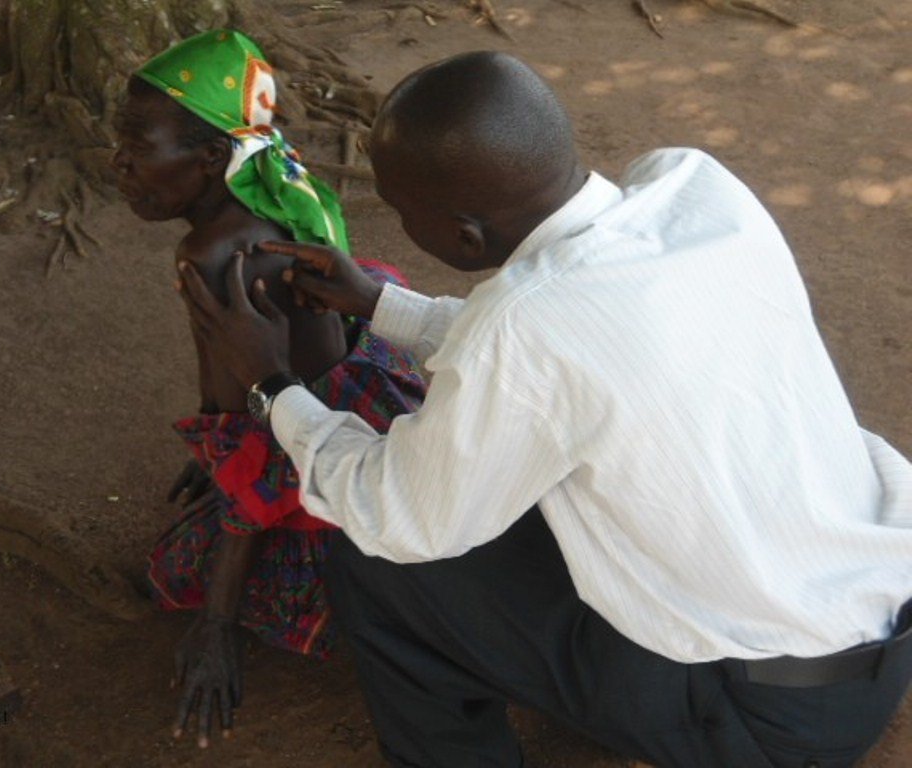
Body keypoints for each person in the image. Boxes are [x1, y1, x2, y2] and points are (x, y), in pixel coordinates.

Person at [177, 50, 912, 767]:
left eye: (403, 212)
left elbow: (398, 515)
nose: (398, 226)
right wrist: (382, 305)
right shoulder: (696, 189)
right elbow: (568, 341)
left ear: (464, 235)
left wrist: (272, 387)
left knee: (377, 566)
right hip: (870, 630)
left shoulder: (523, 328)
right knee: (508, 486)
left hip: (767, 725)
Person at [111, 30, 426, 749]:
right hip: (348, 412)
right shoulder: (275, 185)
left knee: (179, 572)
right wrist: (218, 433)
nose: (118, 163)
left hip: (313, 458)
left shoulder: (211, 255)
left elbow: (258, 430)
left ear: (211, 158)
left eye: (138, 144)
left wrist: (216, 624)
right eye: (118, 139)